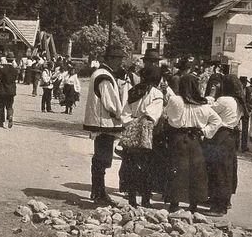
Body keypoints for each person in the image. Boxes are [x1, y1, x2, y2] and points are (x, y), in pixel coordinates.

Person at [164, 74, 222, 213]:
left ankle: (174, 203)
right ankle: (193, 204)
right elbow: (217, 121)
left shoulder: (176, 100)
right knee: (196, 172)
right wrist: (205, 131)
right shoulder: (203, 106)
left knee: (177, 170)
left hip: (178, 138)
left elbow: (169, 117)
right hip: (195, 139)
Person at [83, 45, 125, 204]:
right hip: (103, 122)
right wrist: (120, 115)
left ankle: (98, 191)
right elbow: (110, 103)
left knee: (101, 158)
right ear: (109, 60)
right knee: (102, 158)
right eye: (117, 59)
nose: (119, 63)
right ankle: (99, 193)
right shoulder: (104, 76)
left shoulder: (102, 74)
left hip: (101, 122)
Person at [118, 66, 164, 208]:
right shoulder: (156, 93)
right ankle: (145, 200)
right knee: (147, 167)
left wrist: (131, 123)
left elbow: (124, 113)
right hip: (147, 135)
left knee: (130, 165)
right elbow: (152, 115)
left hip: (131, 131)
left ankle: (132, 198)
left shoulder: (134, 91)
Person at [205, 75, 244, 216]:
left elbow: (207, 110)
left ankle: (218, 206)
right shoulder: (238, 102)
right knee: (227, 170)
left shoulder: (224, 100)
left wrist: (211, 95)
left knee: (218, 170)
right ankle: (225, 201)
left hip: (221, 135)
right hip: (231, 136)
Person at [0, 52, 18, 128]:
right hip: (11, 90)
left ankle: (1, 122)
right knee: (10, 105)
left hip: (3, 90)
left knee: (1, 106)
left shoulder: (2, 69)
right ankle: (10, 115)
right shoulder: (15, 70)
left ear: (6, 59)